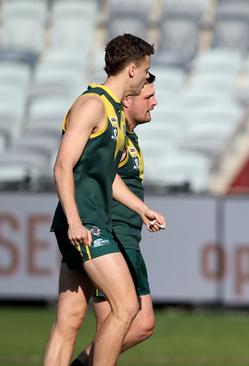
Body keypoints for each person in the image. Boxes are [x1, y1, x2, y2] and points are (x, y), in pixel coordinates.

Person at [44, 34, 165, 366]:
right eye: (145, 70)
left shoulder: (111, 111)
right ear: (130, 70)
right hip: (85, 223)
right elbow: (62, 166)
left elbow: (105, 175)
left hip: (88, 221)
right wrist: (75, 221)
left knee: (68, 321)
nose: (146, 78)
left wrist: (141, 209)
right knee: (126, 306)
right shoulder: (92, 104)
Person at [70, 73, 158, 366]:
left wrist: (142, 211)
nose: (154, 102)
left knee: (139, 323)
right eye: (148, 97)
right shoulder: (113, 134)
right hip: (112, 235)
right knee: (117, 319)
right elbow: (94, 172)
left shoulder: (129, 137)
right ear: (127, 100)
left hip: (129, 237)